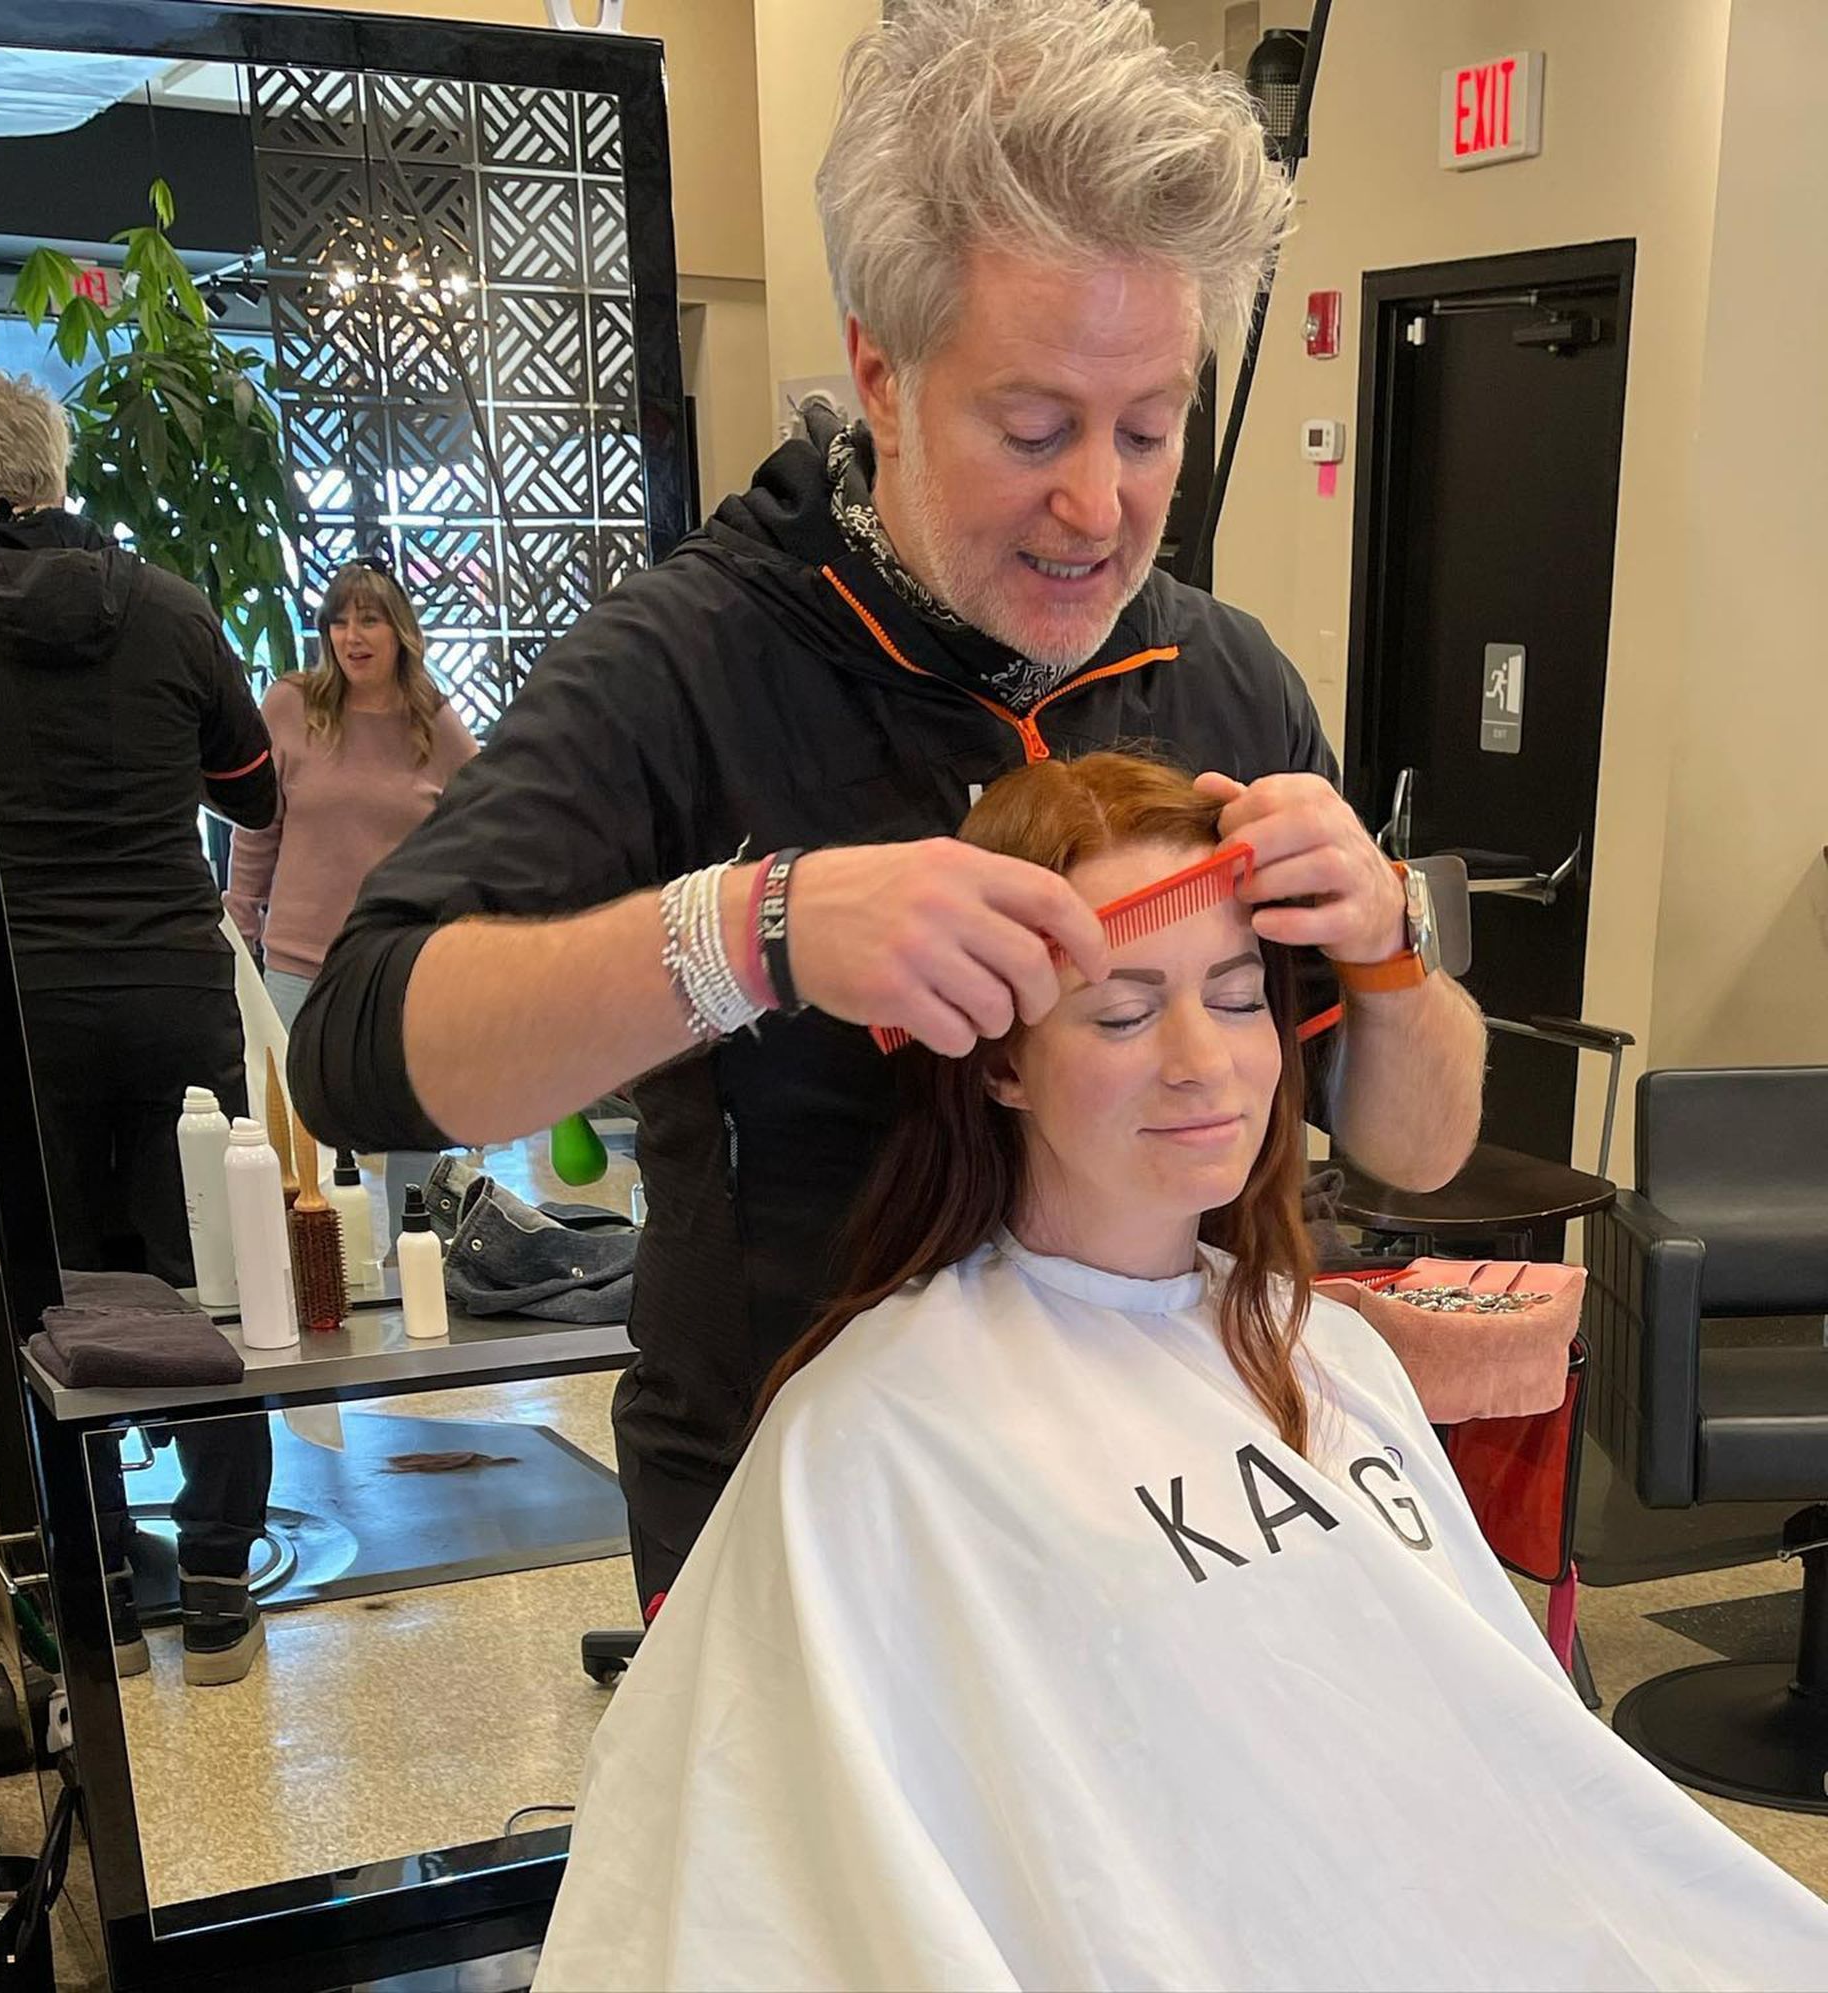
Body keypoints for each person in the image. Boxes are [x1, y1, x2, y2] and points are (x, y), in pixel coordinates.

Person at [292, 0, 1487, 1613]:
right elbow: (358, 1046)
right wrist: (752, 934)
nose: (1101, 503)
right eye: (1034, 426)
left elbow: (1417, 1142)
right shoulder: (696, 661)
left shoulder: (1229, 682)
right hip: (797, 1526)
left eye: (1151, 429)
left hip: (1142, 1518)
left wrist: (1394, 943)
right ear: (882, 372)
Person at [533, 754, 1828, 1992]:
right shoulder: (879, 1431)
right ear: (998, 1057)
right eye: (1123, 1009)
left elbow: (1505, 1763)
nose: (1205, 1061)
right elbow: (762, 1895)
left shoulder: (1329, 1350)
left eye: (1237, 993)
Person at [0, 360, 276, 1686]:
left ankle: (103, 1600)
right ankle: (215, 1585)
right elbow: (250, 791)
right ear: (60, 468)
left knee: (53, 1296)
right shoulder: (173, 608)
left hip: (20, 1007)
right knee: (212, 1285)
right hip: (172, 991)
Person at [226, 558, 477, 1234]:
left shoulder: (433, 720)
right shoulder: (291, 704)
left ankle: (416, 1263)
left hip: (398, 966)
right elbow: (259, 824)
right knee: (286, 1126)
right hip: (296, 962)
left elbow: (485, 821)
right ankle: (301, 1267)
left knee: (411, 1123)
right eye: (339, 619)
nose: (352, 634)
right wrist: (238, 916)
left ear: (400, 631)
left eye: (369, 618)